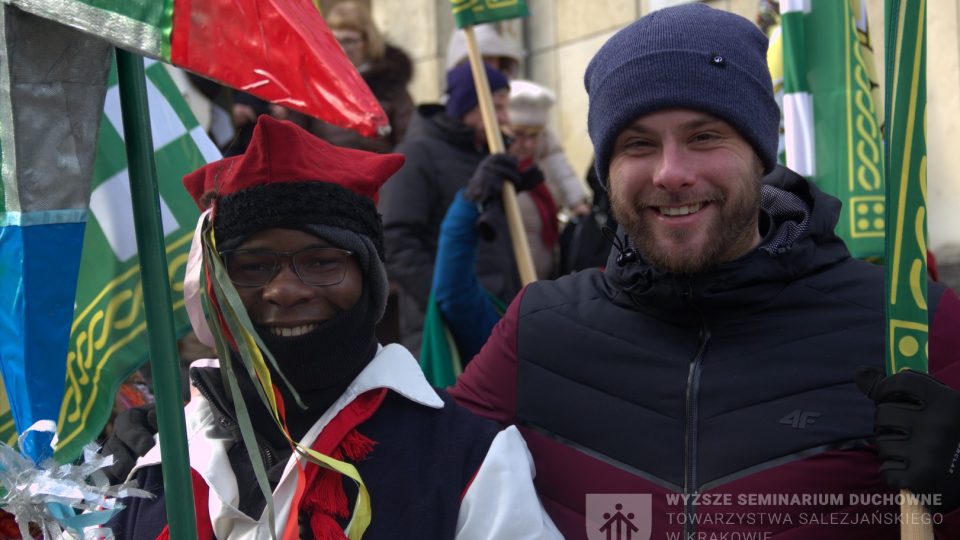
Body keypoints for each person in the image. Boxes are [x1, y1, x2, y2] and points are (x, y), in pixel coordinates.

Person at [449, 4, 960, 539]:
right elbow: (417, 476)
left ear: (761, 151)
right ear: (607, 170)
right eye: (638, 144)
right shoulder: (538, 332)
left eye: (704, 137)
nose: (671, 173)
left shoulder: (909, 327)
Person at [105, 116, 560, 539]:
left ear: (370, 281)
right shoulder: (154, 458)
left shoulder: (468, 457)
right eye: (253, 266)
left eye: (322, 262)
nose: (285, 291)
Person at [379, 62, 520, 355]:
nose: (505, 118)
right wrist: (446, 300)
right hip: (441, 328)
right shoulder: (418, 153)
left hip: (493, 315)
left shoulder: (485, 154)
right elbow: (394, 238)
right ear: (469, 105)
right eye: (496, 107)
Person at [447, 26, 592, 218]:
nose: (487, 67)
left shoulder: (518, 97)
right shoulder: (454, 123)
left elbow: (555, 158)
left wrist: (576, 200)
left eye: (492, 60)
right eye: (482, 60)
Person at [310, 1, 414, 153]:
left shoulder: (390, 85)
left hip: (378, 165)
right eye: (335, 41)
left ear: (368, 42)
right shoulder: (318, 83)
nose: (342, 49)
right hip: (326, 165)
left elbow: (408, 139)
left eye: (349, 41)